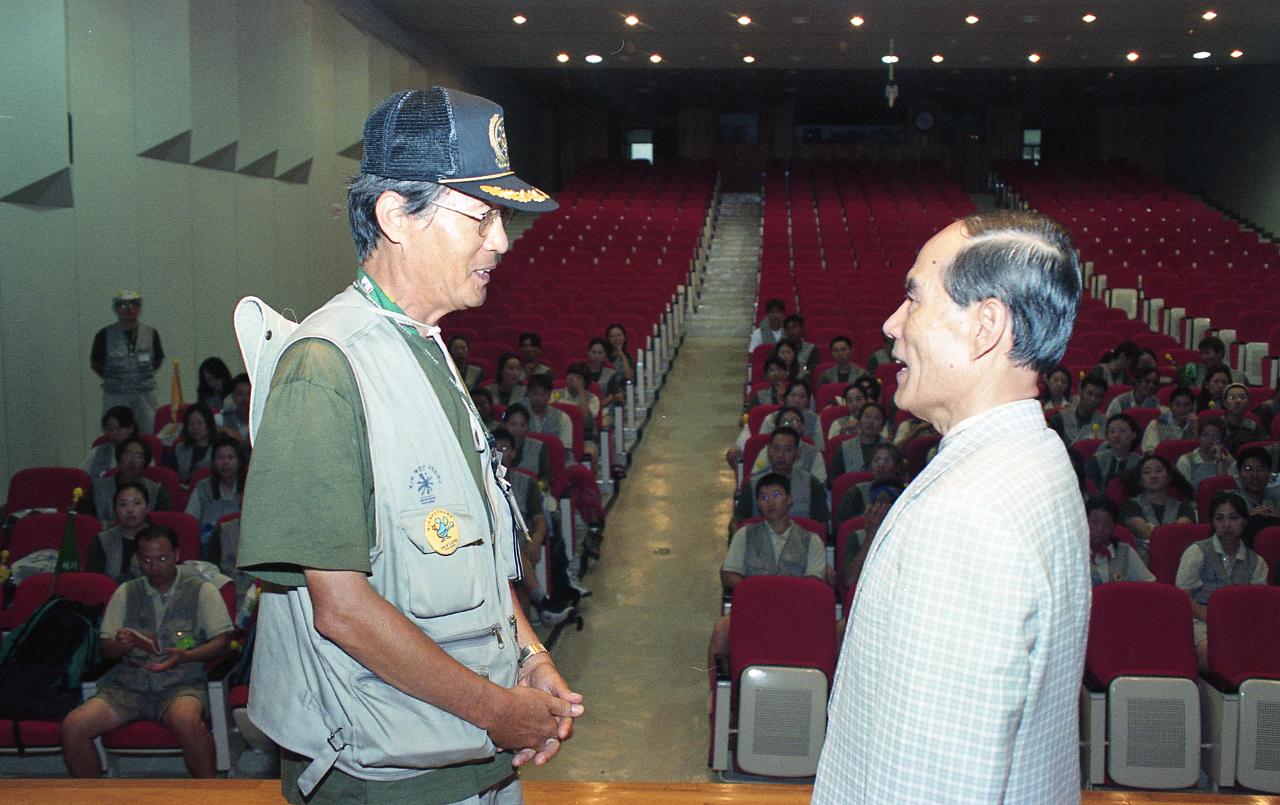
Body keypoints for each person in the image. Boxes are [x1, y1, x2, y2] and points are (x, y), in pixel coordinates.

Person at [236, 88, 580, 803]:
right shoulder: (325, 367)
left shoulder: (424, 347)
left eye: (502, 218)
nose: (502, 241)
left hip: (469, 758)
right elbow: (342, 608)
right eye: (482, 216)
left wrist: (531, 653)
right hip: (388, 777)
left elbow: (470, 553)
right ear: (396, 214)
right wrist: (500, 712)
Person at [814, 211, 1089, 802]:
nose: (891, 324)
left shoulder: (965, 515)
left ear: (985, 325)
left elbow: (935, 782)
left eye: (914, 299)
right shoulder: (1039, 456)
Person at [61, 525, 233, 778]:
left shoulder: (201, 590)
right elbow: (106, 648)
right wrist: (120, 646)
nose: (154, 566)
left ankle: (210, 792)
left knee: (187, 722)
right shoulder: (126, 592)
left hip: (180, 682)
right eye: (146, 560)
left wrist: (186, 655)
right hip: (130, 685)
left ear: (176, 555)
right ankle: (92, 795)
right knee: (73, 726)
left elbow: (223, 640)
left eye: (162, 558)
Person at [708, 473, 828, 680]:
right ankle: (717, 694)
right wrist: (756, 593)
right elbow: (728, 574)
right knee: (721, 629)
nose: (770, 502)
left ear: (790, 499)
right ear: (757, 504)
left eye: (776, 495)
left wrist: (780, 595)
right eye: (763, 498)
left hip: (796, 610)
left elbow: (815, 582)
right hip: (754, 609)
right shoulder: (744, 535)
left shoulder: (811, 540)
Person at [492, 428, 575, 627]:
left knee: (518, 569)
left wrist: (536, 540)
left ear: (514, 453)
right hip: (494, 546)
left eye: (504, 448)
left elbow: (539, 520)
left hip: (520, 545)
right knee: (514, 559)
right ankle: (543, 602)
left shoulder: (526, 483)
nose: (499, 454)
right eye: (495, 450)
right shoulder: (481, 486)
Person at [1176, 491, 1270, 666]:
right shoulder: (1197, 552)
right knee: (1211, 650)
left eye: (1233, 518)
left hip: (1240, 622)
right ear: (1212, 522)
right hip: (1201, 620)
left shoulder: (1257, 562)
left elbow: (1258, 604)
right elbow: (1183, 597)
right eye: (1219, 518)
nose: (1226, 525)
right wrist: (1213, 619)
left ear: (1245, 521)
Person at [91, 290, 164, 434]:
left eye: (133, 305)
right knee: (116, 436)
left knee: (149, 435)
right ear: (116, 309)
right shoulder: (104, 334)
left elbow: (157, 360)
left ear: (139, 308)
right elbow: (95, 363)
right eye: (123, 305)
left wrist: (139, 377)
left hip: (145, 396)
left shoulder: (151, 333)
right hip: (116, 396)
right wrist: (117, 379)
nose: (128, 309)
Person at [730, 427, 827, 533]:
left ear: (797, 453)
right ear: (768, 450)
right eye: (776, 449)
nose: (781, 455)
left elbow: (821, 526)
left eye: (788, 450)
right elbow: (737, 523)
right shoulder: (753, 485)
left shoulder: (811, 484)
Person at [1118, 455, 1196, 562]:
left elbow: (1179, 532)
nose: (1153, 476)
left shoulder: (1184, 507)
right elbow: (1142, 531)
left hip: (1177, 561)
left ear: (1169, 477)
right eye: (1147, 472)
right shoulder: (1130, 505)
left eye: (1159, 471)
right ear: (1140, 480)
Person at [85, 435, 171, 524]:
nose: (132, 461)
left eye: (139, 456)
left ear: (146, 462)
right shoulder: (97, 488)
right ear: (118, 458)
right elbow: (87, 524)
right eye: (127, 455)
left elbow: (161, 528)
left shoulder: (157, 492)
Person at [185, 437, 245, 558]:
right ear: (213, 461)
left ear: (239, 460)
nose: (225, 463)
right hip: (208, 546)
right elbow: (189, 521)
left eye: (230, 457)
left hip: (242, 546)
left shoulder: (251, 487)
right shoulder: (203, 487)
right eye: (220, 458)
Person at [85, 481, 152, 583]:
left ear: (147, 508)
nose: (130, 510)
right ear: (115, 510)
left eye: (137, 503)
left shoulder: (161, 540)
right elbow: (93, 583)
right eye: (123, 504)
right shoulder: (103, 540)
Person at [832, 443, 905, 529]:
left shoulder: (905, 494)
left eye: (887, 461)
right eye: (876, 460)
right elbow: (840, 527)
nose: (881, 465)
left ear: (897, 466)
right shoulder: (856, 492)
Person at [1086, 497, 1154, 586]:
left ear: (1114, 527)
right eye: (1094, 522)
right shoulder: (1071, 554)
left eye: (1107, 524)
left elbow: (1150, 585)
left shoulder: (1125, 551)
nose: (1100, 529)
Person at [1083, 412, 1142, 491]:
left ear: (1134, 435)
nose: (1116, 435)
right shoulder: (1096, 460)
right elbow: (1092, 491)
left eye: (1122, 431)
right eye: (1112, 431)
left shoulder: (1140, 463)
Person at [827, 402, 887, 479]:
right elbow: (833, 480)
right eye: (867, 417)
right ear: (859, 420)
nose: (871, 421)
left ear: (882, 426)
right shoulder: (845, 447)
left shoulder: (889, 448)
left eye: (877, 418)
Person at [1176, 417, 1235, 489]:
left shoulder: (1229, 461)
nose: (1210, 441)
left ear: (1222, 441)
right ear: (1199, 437)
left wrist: (1220, 461)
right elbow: (1183, 492)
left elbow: (1227, 490)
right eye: (1205, 435)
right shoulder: (1186, 460)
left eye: (1216, 436)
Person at [1049, 373, 1107, 445]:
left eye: (1098, 396)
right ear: (1080, 392)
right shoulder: (1058, 419)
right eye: (1089, 394)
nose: (1093, 399)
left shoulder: (1106, 423)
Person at [84, 406, 137, 479]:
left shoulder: (140, 453)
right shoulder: (96, 453)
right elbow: (81, 478)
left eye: (119, 428)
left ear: (130, 428)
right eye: (110, 429)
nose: (114, 433)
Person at [168, 403, 216, 485]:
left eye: (200, 423)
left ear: (209, 424)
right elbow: (171, 477)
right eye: (191, 424)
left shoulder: (218, 450)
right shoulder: (179, 448)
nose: (195, 428)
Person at [1141, 386, 1197, 453]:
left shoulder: (1199, 425)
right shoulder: (1156, 424)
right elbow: (1150, 452)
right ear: (1171, 406)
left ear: (1193, 407)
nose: (1182, 409)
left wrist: (1195, 430)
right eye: (1177, 405)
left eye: (1187, 405)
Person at [1234, 446, 1280, 517]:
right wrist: (1249, 518)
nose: (1255, 475)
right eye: (1248, 469)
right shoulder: (1231, 502)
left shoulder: (1276, 496)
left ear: (1269, 473)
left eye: (1261, 469)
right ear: (1239, 473)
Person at [1221, 383, 1262, 452]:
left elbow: (1263, 447)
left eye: (1242, 397)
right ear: (1225, 403)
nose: (1237, 401)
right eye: (1232, 398)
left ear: (1248, 403)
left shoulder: (1254, 426)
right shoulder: (1216, 424)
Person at [217, 373, 252, 441]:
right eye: (240, 394)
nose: (245, 399)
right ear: (232, 396)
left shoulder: (263, 421)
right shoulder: (221, 419)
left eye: (249, 394)